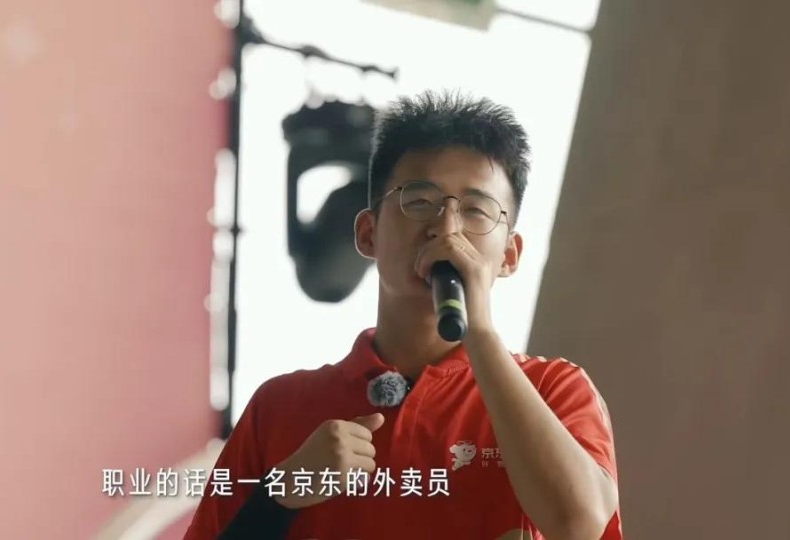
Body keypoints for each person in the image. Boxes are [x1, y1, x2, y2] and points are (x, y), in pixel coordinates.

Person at [183, 90, 623, 540]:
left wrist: (480, 333)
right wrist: (278, 497)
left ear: (509, 255)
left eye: (476, 210)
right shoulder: (281, 406)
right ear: (368, 234)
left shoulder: (554, 390)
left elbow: (579, 524)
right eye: (419, 201)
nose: (445, 228)